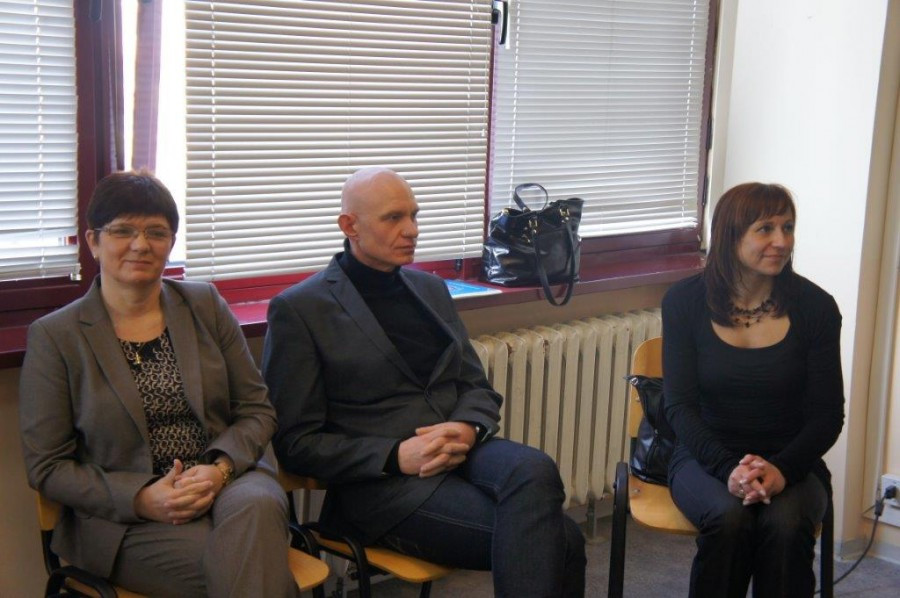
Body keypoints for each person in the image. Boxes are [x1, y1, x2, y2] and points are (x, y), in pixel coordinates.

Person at [263, 167, 586, 597]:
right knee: (564, 540)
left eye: (414, 215)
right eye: (393, 218)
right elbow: (295, 442)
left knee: (535, 467)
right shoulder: (301, 309)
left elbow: (476, 385)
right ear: (349, 226)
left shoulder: (430, 288)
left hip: (460, 450)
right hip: (383, 486)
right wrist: (395, 455)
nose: (412, 229)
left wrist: (468, 427)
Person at [19, 171, 300, 597]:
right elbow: (48, 466)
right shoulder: (56, 336)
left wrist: (219, 470)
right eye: (123, 231)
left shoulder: (205, 304)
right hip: (128, 519)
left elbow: (256, 410)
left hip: (231, 480)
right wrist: (141, 497)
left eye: (156, 232)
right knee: (246, 565)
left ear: (171, 242)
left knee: (256, 512)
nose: (140, 244)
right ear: (93, 241)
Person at [662, 182, 844, 597]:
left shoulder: (816, 307)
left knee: (785, 525)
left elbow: (827, 414)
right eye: (765, 229)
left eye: (788, 227)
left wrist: (780, 469)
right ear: (731, 236)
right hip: (704, 457)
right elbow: (679, 406)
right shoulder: (684, 301)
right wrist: (729, 469)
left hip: (793, 460)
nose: (782, 241)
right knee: (729, 518)